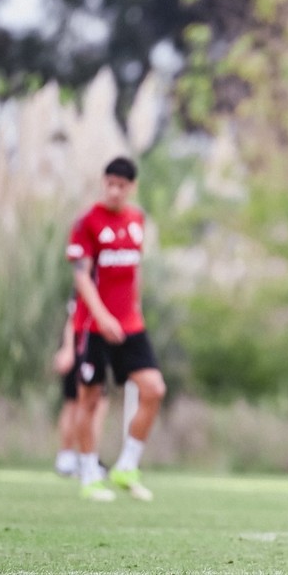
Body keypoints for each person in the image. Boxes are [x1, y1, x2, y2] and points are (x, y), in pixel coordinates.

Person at [67, 156, 167, 502]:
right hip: (94, 326)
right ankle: (89, 473)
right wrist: (103, 316)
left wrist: (133, 307)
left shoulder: (137, 220)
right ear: (103, 182)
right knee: (90, 399)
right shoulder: (87, 222)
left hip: (130, 326)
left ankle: (126, 465)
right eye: (109, 183)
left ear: (131, 187)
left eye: (121, 186)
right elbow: (82, 276)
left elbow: (133, 271)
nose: (114, 191)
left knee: (154, 389)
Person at [51, 297, 108, 478]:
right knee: (77, 402)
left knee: (94, 402)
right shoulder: (88, 282)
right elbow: (73, 316)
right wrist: (68, 349)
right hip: (82, 345)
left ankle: (83, 458)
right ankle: (71, 457)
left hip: (93, 344)